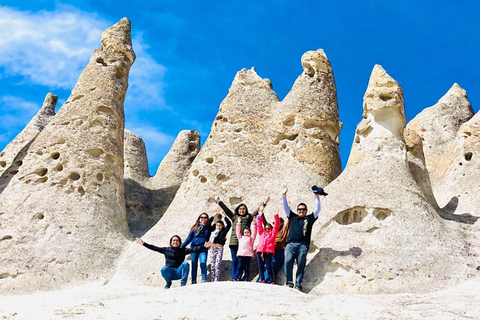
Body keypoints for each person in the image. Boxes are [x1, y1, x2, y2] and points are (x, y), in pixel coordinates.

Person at [282, 185, 326, 290]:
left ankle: (298, 284)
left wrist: (316, 197)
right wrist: (284, 195)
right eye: (299, 209)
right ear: (297, 210)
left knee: (301, 265)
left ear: (306, 210)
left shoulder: (309, 218)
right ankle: (289, 282)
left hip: (303, 245)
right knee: (288, 262)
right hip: (290, 244)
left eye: (303, 209)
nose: (301, 211)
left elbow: (318, 209)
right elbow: (285, 207)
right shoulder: (292, 217)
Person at [215, 196, 270, 280]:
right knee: (235, 260)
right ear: (238, 210)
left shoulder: (249, 217)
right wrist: (219, 201)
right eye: (240, 209)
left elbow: (257, 211)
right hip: (234, 241)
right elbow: (226, 209)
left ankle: (240, 277)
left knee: (243, 262)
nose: (242, 210)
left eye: (244, 209)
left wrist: (264, 203)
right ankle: (234, 277)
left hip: (245, 244)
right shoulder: (234, 217)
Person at [136, 235, 209, 289]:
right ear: (171, 242)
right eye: (174, 240)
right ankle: (168, 282)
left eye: (177, 240)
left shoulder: (183, 250)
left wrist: (204, 246)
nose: (175, 242)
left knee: (185, 264)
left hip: (179, 272)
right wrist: (143, 244)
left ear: (180, 242)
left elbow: (194, 249)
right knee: (164, 269)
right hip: (170, 273)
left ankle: (183, 284)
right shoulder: (166, 250)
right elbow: (154, 248)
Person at [181, 212, 211, 284]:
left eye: (205, 217)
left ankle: (204, 279)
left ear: (207, 219)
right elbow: (189, 238)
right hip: (194, 248)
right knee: (194, 264)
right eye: (202, 217)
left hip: (203, 248)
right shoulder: (194, 227)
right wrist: (182, 246)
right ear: (199, 218)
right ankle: (193, 281)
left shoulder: (208, 228)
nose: (203, 219)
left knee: (203, 262)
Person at [262, 214, 289, 282]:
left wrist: (289, 213)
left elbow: (288, 223)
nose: (276, 223)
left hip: (279, 251)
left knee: (274, 266)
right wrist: (261, 213)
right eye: (274, 222)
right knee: (267, 266)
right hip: (270, 251)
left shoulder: (283, 231)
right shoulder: (272, 230)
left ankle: (270, 280)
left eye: (278, 222)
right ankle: (263, 279)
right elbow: (265, 223)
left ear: (282, 223)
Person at [207, 211, 231, 282]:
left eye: (220, 225)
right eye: (217, 225)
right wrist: (213, 216)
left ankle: (216, 279)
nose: (219, 227)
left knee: (217, 264)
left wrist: (225, 217)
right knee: (212, 265)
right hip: (212, 248)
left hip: (219, 248)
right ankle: (212, 279)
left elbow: (229, 225)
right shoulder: (213, 232)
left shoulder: (223, 233)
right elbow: (208, 224)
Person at [256, 211, 280, 284]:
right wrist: (259, 215)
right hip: (260, 251)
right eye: (265, 228)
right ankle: (262, 279)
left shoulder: (272, 234)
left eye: (268, 228)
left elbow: (276, 226)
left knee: (269, 267)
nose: (267, 230)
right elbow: (259, 224)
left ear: (271, 229)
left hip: (268, 252)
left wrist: (276, 216)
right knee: (261, 267)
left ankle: (271, 280)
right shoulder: (261, 233)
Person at [234, 216, 257, 281]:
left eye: (248, 232)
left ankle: (246, 279)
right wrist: (239, 223)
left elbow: (254, 232)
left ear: (250, 233)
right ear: (243, 233)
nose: (246, 234)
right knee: (239, 267)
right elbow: (237, 232)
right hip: (241, 255)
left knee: (247, 268)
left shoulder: (251, 238)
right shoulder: (240, 237)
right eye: (245, 232)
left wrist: (254, 224)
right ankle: (236, 278)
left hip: (248, 255)